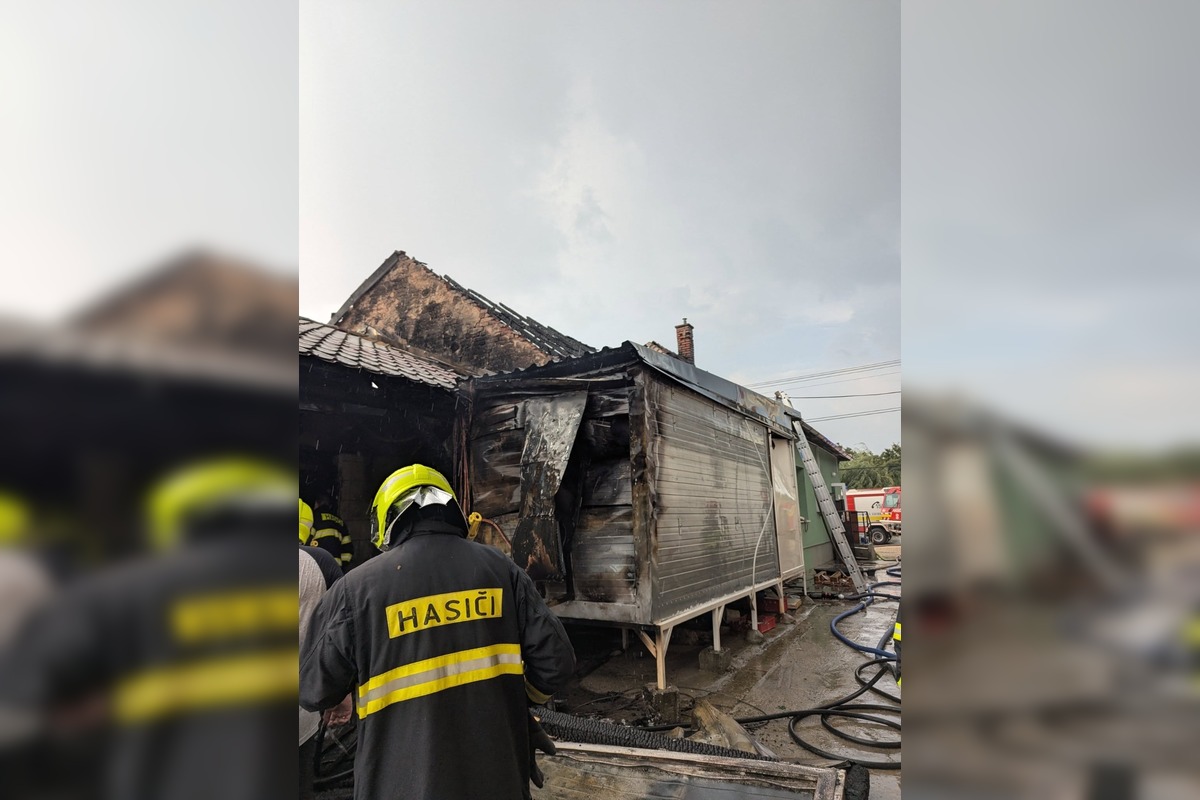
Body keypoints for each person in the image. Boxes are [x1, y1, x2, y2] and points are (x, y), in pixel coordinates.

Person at [300, 464, 575, 800]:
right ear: (450, 510)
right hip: (497, 776)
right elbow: (557, 662)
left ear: (386, 520)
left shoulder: (355, 590)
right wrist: (521, 703)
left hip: (399, 783)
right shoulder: (502, 570)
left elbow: (313, 689)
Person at [300, 499, 341, 590]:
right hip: (335, 566)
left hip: (315, 566)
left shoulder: (316, 517)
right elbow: (348, 546)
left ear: (317, 503)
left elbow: (308, 537)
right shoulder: (338, 520)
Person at [311, 492, 352, 571]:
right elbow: (348, 549)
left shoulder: (314, 517)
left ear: (317, 503)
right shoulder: (340, 521)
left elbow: (307, 540)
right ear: (329, 505)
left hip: (317, 566)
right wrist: (342, 566)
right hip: (335, 568)